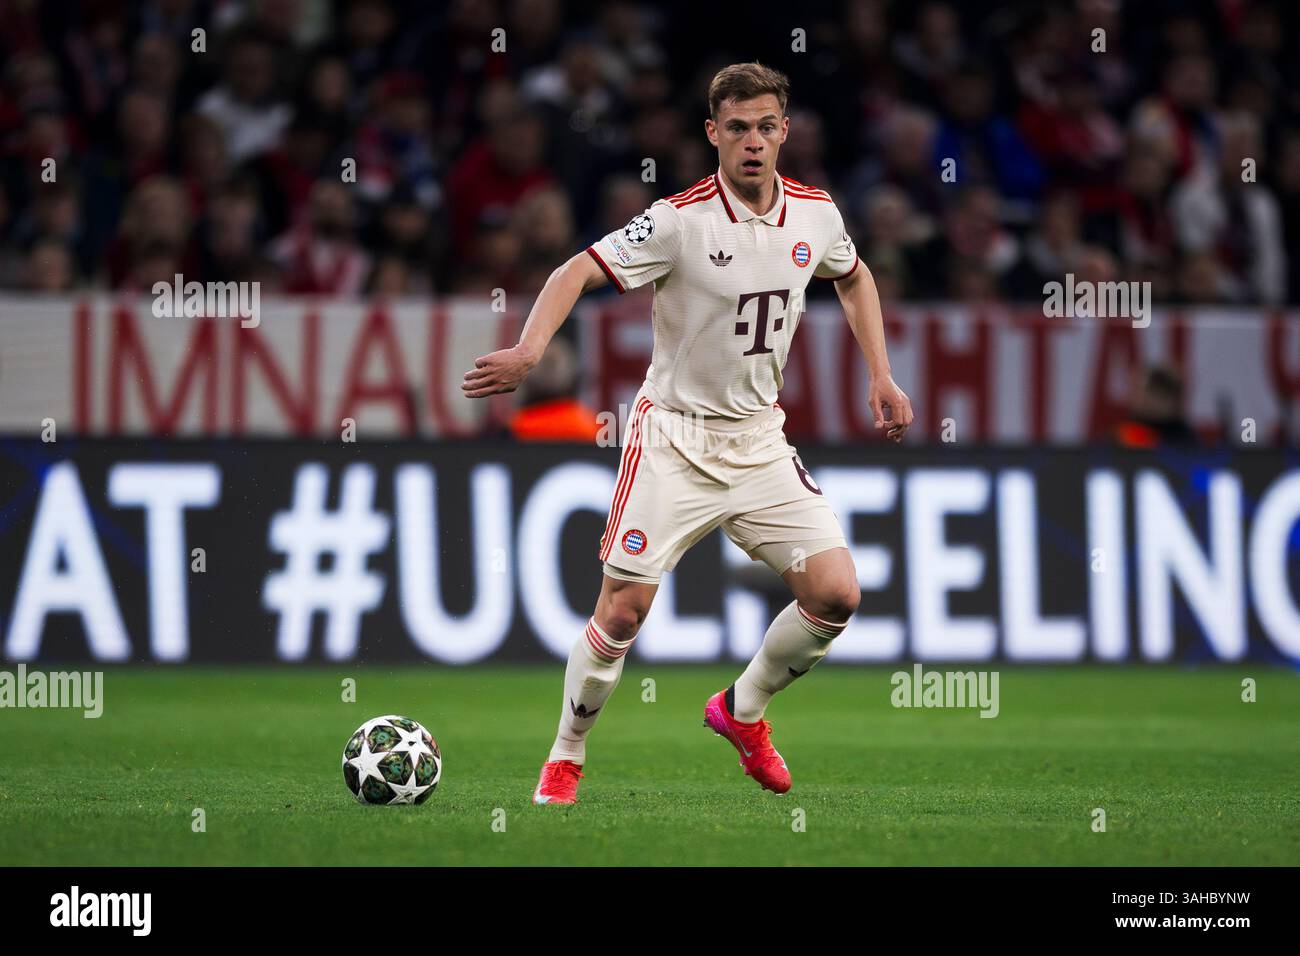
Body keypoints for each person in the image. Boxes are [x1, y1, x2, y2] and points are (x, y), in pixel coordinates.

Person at [463, 62, 913, 804]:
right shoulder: (678, 221)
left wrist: (881, 375)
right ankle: (566, 754)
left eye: (767, 126)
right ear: (713, 134)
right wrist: (529, 350)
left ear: (784, 132)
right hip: (674, 438)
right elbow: (577, 269)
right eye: (737, 128)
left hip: (760, 443)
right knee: (623, 611)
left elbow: (854, 276)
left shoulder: (816, 214)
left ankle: (742, 711)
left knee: (836, 594)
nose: (753, 142)